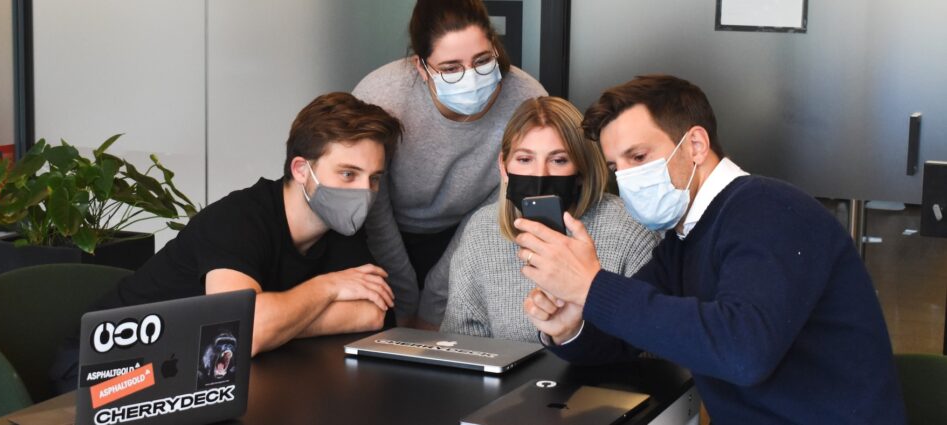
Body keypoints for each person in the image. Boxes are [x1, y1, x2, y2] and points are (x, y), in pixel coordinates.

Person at [516, 75, 905, 423]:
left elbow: (743, 352)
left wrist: (591, 286)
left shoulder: (769, 210)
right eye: (617, 167)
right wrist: (571, 328)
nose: (629, 178)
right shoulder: (684, 237)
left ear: (696, 145)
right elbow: (624, 335)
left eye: (639, 157)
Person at [50, 92, 402, 393]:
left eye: (373, 179)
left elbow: (372, 313)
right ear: (300, 170)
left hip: (193, 372)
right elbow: (238, 332)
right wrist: (327, 289)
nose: (363, 192)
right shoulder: (239, 218)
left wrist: (275, 325)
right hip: (110, 369)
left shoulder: (341, 227)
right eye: (347, 173)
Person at [353, 0, 547, 328]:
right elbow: (371, 202)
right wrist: (405, 294)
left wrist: (436, 297)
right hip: (385, 230)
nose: (470, 77)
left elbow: (499, 204)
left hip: (472, 230)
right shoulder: (381, 98)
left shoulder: (526, 102)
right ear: (420, 65)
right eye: (451, 67)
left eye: (483, 60)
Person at [440, 97, 658, 342]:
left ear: (581, 169)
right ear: (504, 166)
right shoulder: (482, 229)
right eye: (524, 159)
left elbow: (652, 349)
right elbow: (460, 341)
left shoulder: (629, 229)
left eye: (558, 160)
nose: (540, 174)